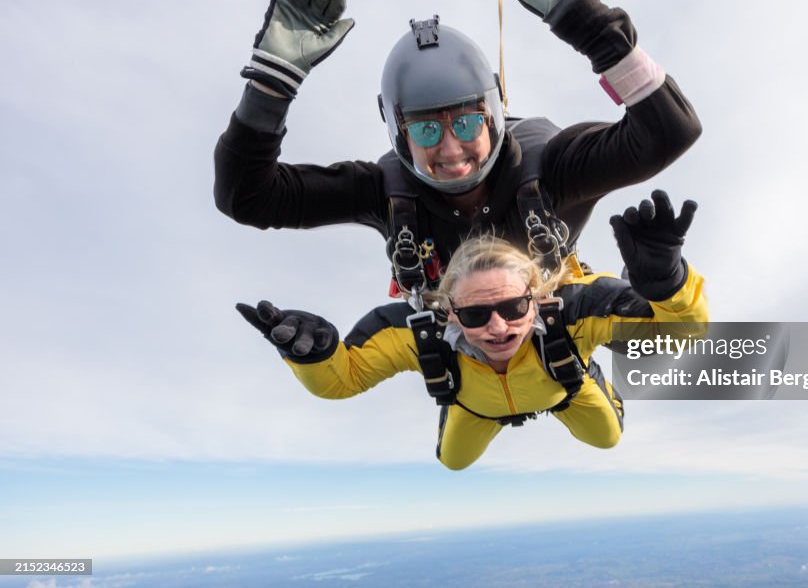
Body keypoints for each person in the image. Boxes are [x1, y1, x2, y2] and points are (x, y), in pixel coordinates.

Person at [215, 0, 702, 298]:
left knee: (600, 430)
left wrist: (589, 23)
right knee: (459, 437)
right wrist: (271, 83)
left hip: (549, 318)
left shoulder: (551, 167)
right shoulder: (388, 190)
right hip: (463, 346)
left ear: (493, 115)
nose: (450, 151)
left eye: (466, 124)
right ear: (397, 134)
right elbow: (248, 198)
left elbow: (668, 132)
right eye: (426, 129)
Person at [237, 190, 709, 470]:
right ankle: (479, 404)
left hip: (562, 387)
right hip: (475, 403)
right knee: (453, 462)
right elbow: (344, 378)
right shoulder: (419, 331)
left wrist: (667, 284)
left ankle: (587, 377)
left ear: (538, 295)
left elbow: (680, 335)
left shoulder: (571, 311)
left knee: (608, 438)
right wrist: (314, 356)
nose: (498, 326)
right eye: (477, 315)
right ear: (449, 311)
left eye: (513, 306)